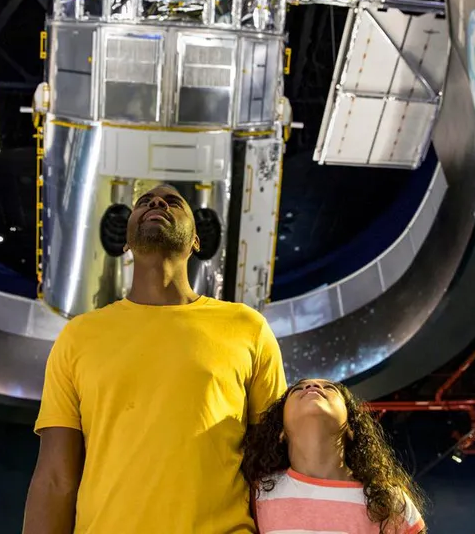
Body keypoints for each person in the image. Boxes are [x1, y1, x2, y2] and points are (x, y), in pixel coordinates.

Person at [23, 185, 287, 534]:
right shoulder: (79, 336)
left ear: (195, 240)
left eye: (173, 202)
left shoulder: (248, 328)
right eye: (144, 203)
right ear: (126, 241)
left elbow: (272, 463)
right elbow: (55, 478)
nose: (157, 202)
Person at [242, 379, 426, 534]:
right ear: (280, 431)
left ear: (351, 428)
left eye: (329, 388)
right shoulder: (258, 492)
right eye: (298, 389)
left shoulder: (390, 501)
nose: (312, 386)